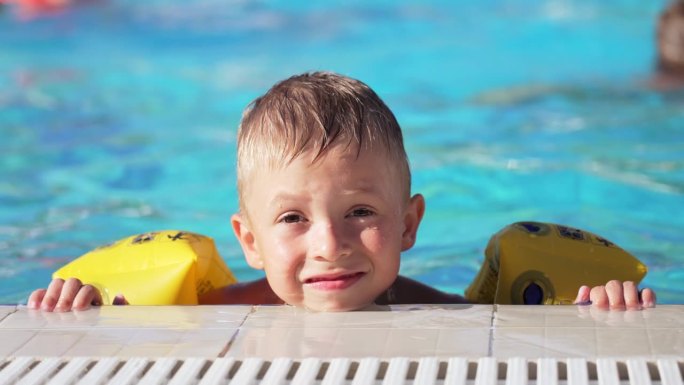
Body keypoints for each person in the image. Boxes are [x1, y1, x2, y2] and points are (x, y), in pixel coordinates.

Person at [27, 72, 657, 312]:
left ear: (410, 226)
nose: (330, 245)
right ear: (247, 239)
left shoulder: (447, 315)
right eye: (293, 218)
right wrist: (77, 309)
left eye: (360, 211)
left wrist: (599, 309)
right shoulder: (210, 313)